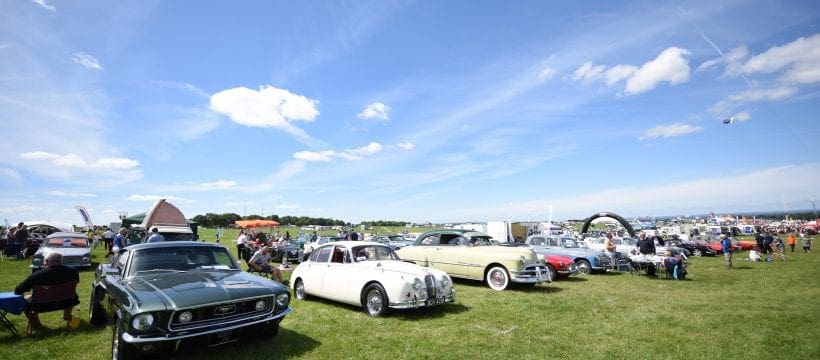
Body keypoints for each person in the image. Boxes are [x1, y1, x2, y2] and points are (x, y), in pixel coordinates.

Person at [14, 252, 80, 332]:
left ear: (46, 261)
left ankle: (36, 325)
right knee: (65, 293)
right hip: (68, 301)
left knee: (24, 299)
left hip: (41, 305)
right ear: (60, 261)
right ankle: (67, 315)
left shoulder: (38, 275)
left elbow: (18, 290)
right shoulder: (73, 272)